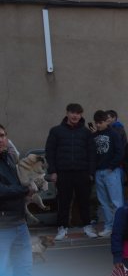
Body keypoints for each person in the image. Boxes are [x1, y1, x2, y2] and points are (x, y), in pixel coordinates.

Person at [45, 103, 96, 241]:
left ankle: (87, 226)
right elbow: (50, 152)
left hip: (82, 172)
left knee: (84, 201)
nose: (75, 116)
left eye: (78, 113)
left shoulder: (86, 132)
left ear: (81, 115)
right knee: (63, 202)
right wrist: (53, 171)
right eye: (73, 112)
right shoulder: (56, 131)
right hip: (63, 173)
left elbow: (92, 154)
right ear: (67, 113)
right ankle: (62, 228)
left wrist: (91, 172)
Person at [0, 125, 34, 276]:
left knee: (24, 269)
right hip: (2, 227)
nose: (1, 140)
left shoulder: (8, 158)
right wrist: (24, 189)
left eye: (3, 136)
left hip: (20, 224)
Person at [92, 110, 125, 238]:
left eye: (101, 122)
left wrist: (112, 166)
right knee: (104, 202)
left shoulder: (114, 134)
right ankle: (109, 226)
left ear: (107, 121)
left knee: (116, 201)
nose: (98, 125)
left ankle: (119, 227)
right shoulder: (94, 136)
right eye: (96, 123)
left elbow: (120, 151)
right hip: (99, 171)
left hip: (111, 171)